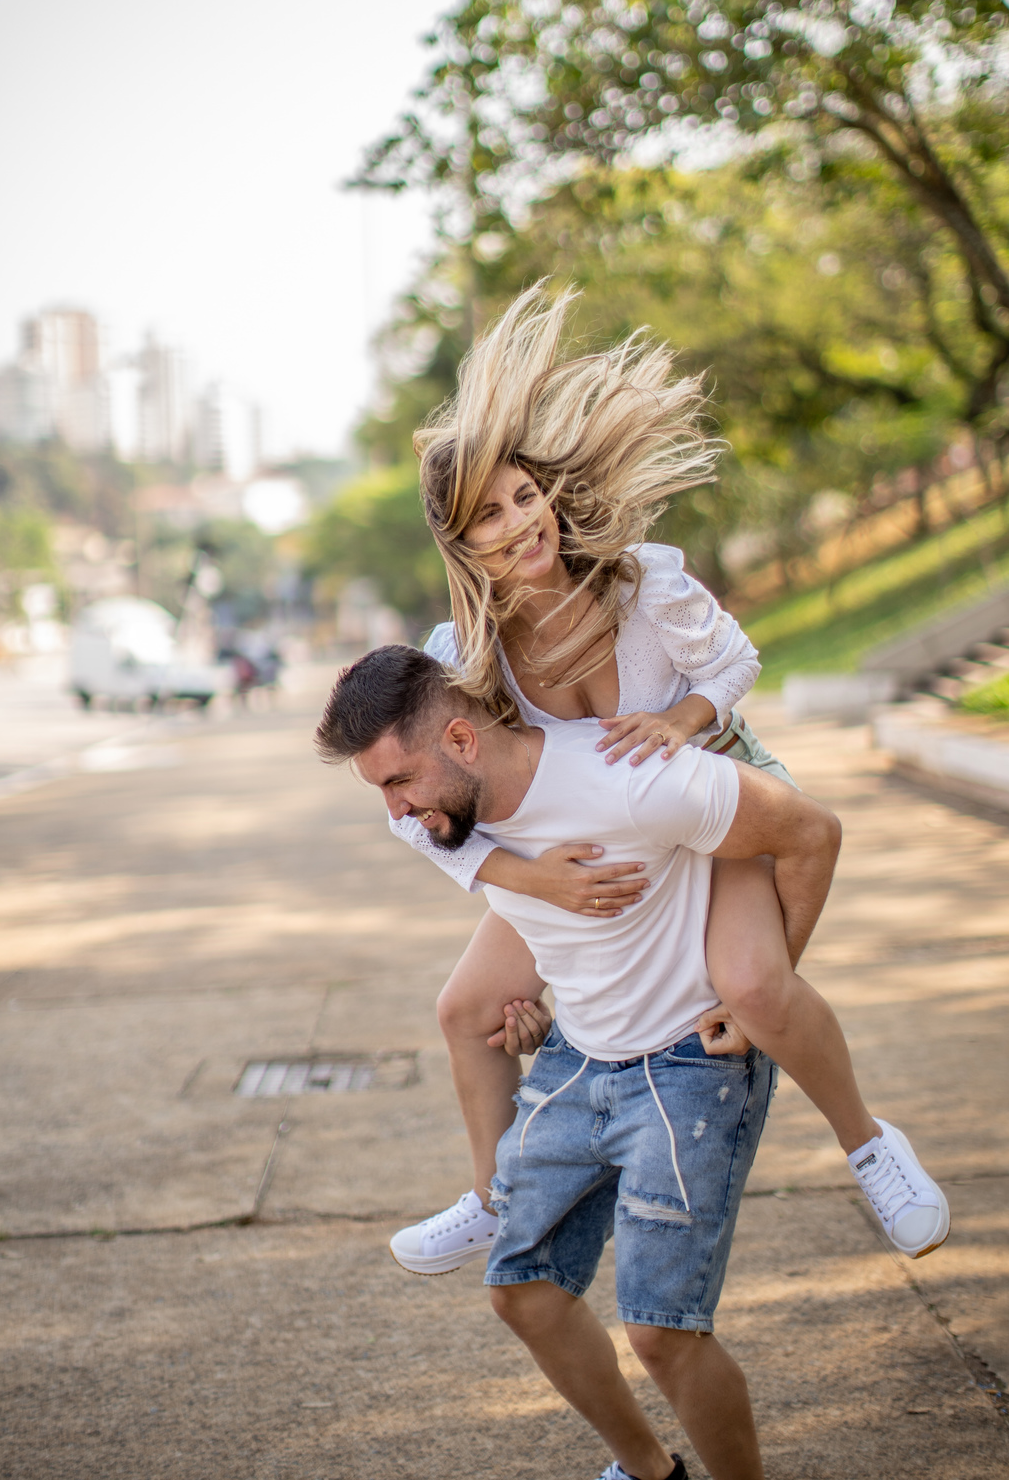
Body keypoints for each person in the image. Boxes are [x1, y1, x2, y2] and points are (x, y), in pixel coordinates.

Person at [380, 284, 949, 1274]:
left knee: (755, 989)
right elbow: (410, 808)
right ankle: (492, 1197)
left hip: (713, 798)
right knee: (467, 1010)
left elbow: (735, 662)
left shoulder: (644, 581)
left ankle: (870, 1144)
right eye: (489, 517)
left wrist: (682, 720)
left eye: (525, 497)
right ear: (459, 544)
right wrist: (528, 880)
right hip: (604, 842)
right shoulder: (462, 659)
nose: (521, 523)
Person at [316, 644, 850, 1480]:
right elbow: (546, 947)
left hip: (689, 1064)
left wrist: (762, 990)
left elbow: (812, 832)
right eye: (381, 790)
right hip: (579, 1058)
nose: (397, 812)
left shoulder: (632, 776)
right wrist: (535, 1015)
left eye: (399, 783)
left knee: (662, 1333)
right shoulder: (458, 817)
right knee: (523, 1294)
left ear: (461, 739)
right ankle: (649, 1476)